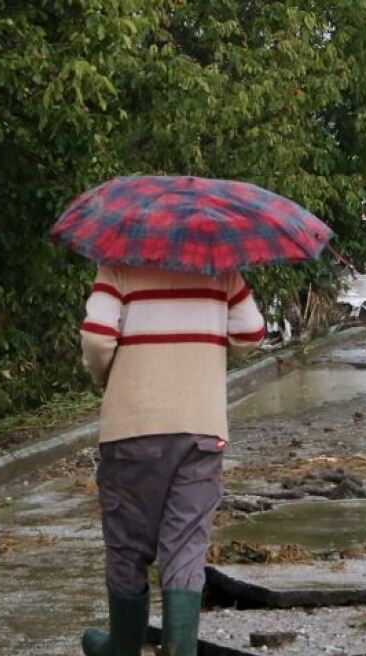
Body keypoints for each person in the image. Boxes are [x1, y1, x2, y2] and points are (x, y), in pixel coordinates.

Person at [79, 265, 265, 656]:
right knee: (185, 545)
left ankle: (122, 648)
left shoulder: (119, 267)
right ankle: (180, 649)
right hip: (201, 425)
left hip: (132, 425)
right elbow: (250, 330)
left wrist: (105, 376)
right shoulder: (221, 272)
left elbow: (97, 338)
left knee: (128, 544)